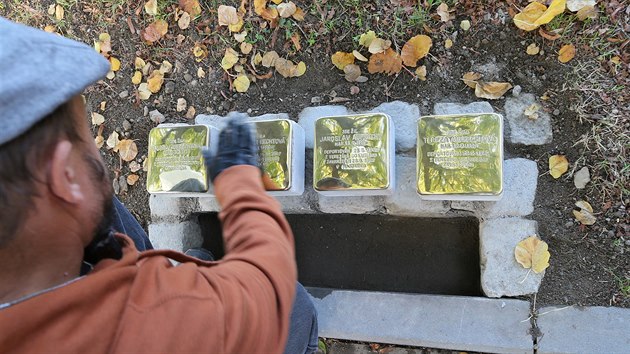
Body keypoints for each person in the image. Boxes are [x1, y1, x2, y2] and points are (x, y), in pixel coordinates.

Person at [0, 17, 318, 353]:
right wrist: (239, 182)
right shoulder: (161, 324)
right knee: (296, 309)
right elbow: (267, 285)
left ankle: (183, 264)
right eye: (87, 139)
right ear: (64, 176)